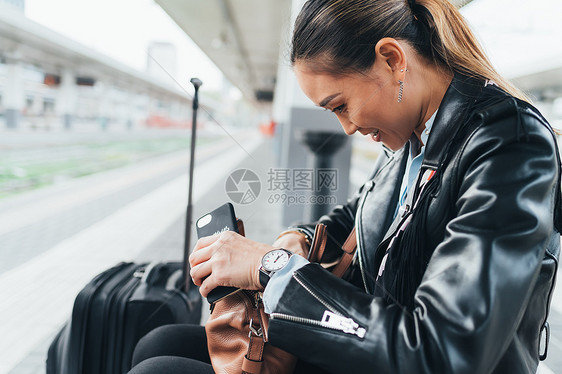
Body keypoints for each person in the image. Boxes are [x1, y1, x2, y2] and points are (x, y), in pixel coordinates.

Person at [128, 0, 562, 373]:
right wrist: (294, 241)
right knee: (159, 344)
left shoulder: (510, 143)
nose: (348, 127)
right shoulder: (413, 140)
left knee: (158, 366)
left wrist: (271, 267)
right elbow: (357, 217)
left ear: (392, 60)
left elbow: (444, 350)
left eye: (341, 105)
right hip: (375, 346)